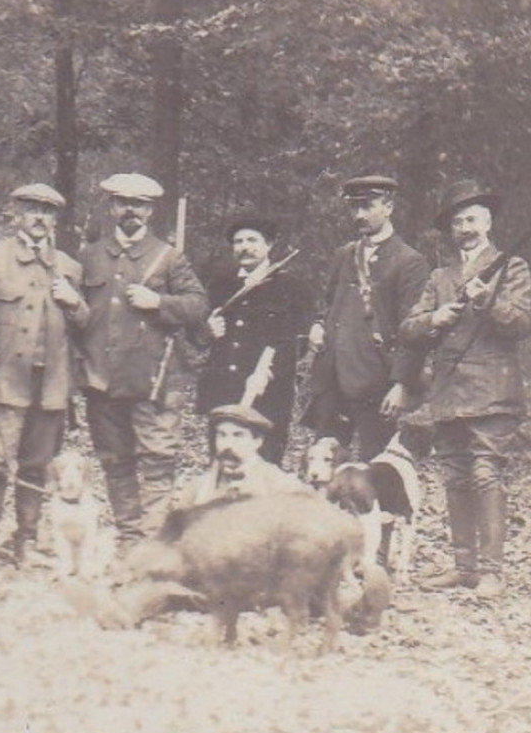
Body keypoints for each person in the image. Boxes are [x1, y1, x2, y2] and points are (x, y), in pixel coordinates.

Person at [398, 180, 531, 600]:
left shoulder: (513, 267)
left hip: (492, 390)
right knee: (455, 477)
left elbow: (522, 323)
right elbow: (408, 327)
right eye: (457, 221)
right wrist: (435, 318)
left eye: (472, 218)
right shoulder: (439, 276)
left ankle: (492, 570)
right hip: (447, 391)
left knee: (484, 475)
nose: (465, 227)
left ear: (488, 221)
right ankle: (464, 566)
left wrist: (485, 300)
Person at [73, 172, 208, 544]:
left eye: (139, 204)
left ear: (150, 210)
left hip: (154, 379)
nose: (131, 210)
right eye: (123, 202)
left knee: (157, 461)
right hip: (102, 378)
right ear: (112, 207)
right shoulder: (89, 256)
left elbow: (198, 306)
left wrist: (160, 302)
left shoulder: (169, 257)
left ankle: (154, 543)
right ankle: (130, 540)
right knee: (115, 462)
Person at [0, 182, 87, 570]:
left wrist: (74, 301)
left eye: (47, 212)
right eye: (32, 209)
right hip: (3, 380)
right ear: (17, 214)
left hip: (50, 385)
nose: (39, 218)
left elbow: (85, 324)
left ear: (55, 219)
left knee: (37, 463)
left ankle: (26, 541)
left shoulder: (68, 267)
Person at [305, 174, 430, 461]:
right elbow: (326, 303)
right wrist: (316, 325)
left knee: (372, 471)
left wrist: (401, 385)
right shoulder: (344, 254)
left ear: (388, 207)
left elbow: (414, 332)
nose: (359, 215)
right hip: (332, 380)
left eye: (367, 206)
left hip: (376, 384)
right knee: (325, 468)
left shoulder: (409, 262)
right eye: (354, 208)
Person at [196, 211, 312, 465]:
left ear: (268, 245)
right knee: (222, 464)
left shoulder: (290, 287)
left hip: (268, 395)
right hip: (223, 390)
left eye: (252, 240)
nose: (244, 248)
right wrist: (208, 330)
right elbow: (198, 332)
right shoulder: (221, 285)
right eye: (238, 242)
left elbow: (295, 341)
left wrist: (266, 374)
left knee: (263, 468)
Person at [177, 403, 312, 508]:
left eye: (238, 435)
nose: (227, 444)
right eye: (222, 435)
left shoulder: (278, 484)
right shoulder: (198, 488)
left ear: (257, 441)